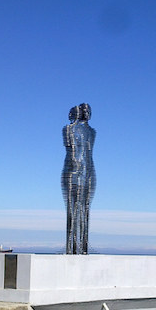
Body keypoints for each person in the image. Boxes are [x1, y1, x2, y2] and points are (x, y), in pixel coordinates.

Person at [61, 103, 96, 254]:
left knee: (85, 208)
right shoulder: (68, 129)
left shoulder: (92, 132)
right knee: (72, 209)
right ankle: (71, 247)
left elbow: (88, 152)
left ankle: (84, 247)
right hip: (72, 172)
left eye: (89, 111)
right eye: (85, 111)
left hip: (89, 172)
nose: (87, 113)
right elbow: (71, 147)